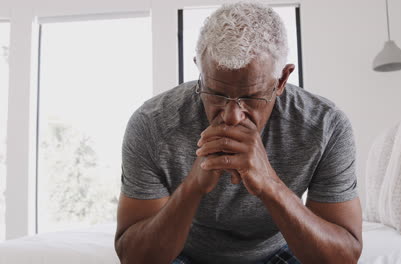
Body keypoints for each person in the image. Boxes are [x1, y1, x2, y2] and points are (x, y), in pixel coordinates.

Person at [114, 2, 362, 264]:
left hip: (280, 252)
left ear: (282, 80)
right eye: (216, 94)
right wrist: (192, 189)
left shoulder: (325, 126)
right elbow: (134, 258)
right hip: (184, 253)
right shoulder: (152, 125)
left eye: (251, 96)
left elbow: (344, 257)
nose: (232, 115)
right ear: (200, 69)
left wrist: (270, 185)